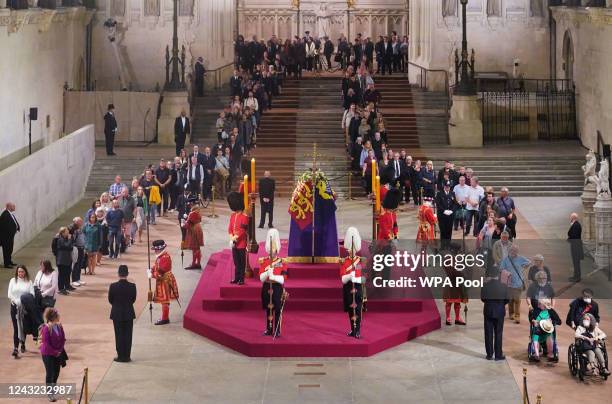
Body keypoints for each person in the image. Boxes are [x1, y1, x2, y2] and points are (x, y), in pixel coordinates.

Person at [258, 228, 287, 337]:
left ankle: (277, 330)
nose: (272, 251)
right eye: (271, 248)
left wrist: (273, 276)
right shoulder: (264, 261)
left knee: (278, 309)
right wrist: (266, 274)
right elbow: (261, 278)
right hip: (266, 287)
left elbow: (283, 279)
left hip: (277, 287)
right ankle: (269, 328)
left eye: (274, 249)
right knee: (269, 309)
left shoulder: (281, 262)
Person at [339, 227, 365, 339]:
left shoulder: (360, 261)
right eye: (350, 248)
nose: (351, 250)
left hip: (358, 288)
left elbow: (363, 277)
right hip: (348, 288)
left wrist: (355, 278)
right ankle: (352, 329)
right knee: (351, 310)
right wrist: (350, 276)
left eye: (352, 248)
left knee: (358, 309)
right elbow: (342, 278)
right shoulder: (344, 261)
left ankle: (358, 330)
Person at [108, 265, 136, 363]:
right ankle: (127, 356)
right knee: (128, 335)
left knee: (119, 335)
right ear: (127, 274)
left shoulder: (113, 286)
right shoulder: (132, 286)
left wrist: (117, 306)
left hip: (117, 313)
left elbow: (110, 300)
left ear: (118, 274)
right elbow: (133, 299)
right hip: (129, 312)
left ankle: (120, 356)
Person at [148, 240, 179, 325]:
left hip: (165, 280)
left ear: (160, 249)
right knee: (164, 300)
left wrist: (152, 275)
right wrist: (152, 269)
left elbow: (160, 274)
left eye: (156, 249)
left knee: (164, 300)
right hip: (163, 280)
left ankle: (165, 318)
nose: (155, 251)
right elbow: (157, 266)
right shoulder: (161, 256)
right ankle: (165, 317)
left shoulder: (164, 258)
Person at [481, 266, 509, 360]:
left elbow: (483, 299)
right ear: (499, 274)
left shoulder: (485, 285)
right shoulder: (504, 286)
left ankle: (489, 355)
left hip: (488, 311)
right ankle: (498, 355)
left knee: (488, 333)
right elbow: (507, 300)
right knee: (498, 333)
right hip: (500, 312)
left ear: (490, 274)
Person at [39, 307, 66, 402]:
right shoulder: (46, 328)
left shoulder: (59, 326)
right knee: (50, 373)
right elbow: (46, 344)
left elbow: (63, 339)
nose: (59, 316)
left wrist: (60, 350)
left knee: (57, 372)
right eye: (57, 315)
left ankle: (53, 387)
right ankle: (50, 393)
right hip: (47, 354)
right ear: (53, 317)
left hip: (57, 353)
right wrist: (55, 352)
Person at [8, 265, 35, 358]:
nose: (20, 273)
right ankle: (15, 348)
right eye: (19, 272)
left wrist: (22, 301)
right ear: (17, 272)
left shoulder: (29, 282)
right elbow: (9, 294)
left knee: (23, 327)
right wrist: (15, 301)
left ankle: (23, 343)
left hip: (24, 309)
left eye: (22, 271)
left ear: (25, 272)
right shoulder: (12, 280)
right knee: (16, 328)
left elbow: (32, 294)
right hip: (14, 308)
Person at [499, 245, 530, 324]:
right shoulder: (506, 259)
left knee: (517, 300)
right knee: (510, 300)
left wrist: (524, 265)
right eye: (512, 250)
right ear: (509, 251)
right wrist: (506, 272)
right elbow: (501, 268)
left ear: (517, 251)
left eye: (515, 251)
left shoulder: (520, 258)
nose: (513, 252)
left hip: (518, 283)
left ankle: (517, 316)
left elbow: (528, 262)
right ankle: (511, 314)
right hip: (509, 283)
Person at [528, 298, 560, 363]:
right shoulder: (536, 310)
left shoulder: (551, 311)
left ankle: (550, 354)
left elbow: (559, 321)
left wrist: (552, 322)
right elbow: (531, 318)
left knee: (549, 336)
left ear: (544, 305)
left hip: (547, 330)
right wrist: (533, 321)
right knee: (535, 335)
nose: (538, 305)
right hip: (538, 330)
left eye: (540, 304)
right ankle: (536, 354)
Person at [228, 192, 249, 285]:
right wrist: (231, 237)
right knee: (236, 262)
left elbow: (242, 231)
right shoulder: (232, 216)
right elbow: (230, 228)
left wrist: (234, 239)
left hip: (241, 243)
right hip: (234, 243)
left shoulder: (244, 217)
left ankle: (241, 278)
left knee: (242, 262)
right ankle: (236, 278)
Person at [52, 227, 74, 295]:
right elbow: (67, 246)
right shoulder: (60, 239)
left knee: (67, 273)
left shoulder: (65, 238)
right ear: (63, 232)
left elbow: (70, 247)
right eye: (67, 231)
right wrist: (70, 240)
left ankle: (67, 286)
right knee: (62, 275)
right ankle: (61, 289)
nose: (68, 232)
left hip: (67, 259)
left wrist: (70, 240)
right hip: (62, 260)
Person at [183, 205, 204, 270]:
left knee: (194, 248)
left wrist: (184, 222)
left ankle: (194, 264)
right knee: (197, 248)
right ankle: (198, 263)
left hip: (193, 231)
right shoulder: (198, 213)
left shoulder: (192, 214)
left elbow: (187, 225)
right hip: (198, 229)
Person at [436, 181, 455, 249]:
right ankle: (443, 246)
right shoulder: (439, 194)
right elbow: (438, 204)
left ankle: (448, 244)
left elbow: (454, 203)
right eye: (446, 186)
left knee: (449, 230)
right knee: (443, 231)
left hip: (450, 215)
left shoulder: (452, 193)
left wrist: (451, 210)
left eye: (449, 187)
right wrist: (444, 211)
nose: (447, 188)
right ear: (444, 186)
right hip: (442, 215)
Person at [0, 202, 20, 269]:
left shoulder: (10, 214)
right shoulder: (5, 215)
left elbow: (14, 222)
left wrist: (17, 228)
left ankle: (9, 261)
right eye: (13, 206)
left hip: (10, 236)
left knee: (10, 249)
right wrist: (11, 232)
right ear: (8, 207)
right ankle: (7, 264)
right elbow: (4, 227)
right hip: (6, 237)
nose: (14, 207)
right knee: (6, 250)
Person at [568, 212, 584, 282]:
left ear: (573, 218)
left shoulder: (576, 225)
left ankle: (577, 277)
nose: (570, 219)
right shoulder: (575, 225)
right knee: (575, 262)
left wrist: (569, 239)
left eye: (570, 217)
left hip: (576, 246)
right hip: (575, 245)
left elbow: (574, 235)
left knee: (576, 262)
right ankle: (575, 276)